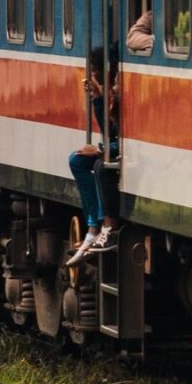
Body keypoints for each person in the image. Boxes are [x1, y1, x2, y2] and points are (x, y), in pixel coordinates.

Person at [70, 48, 120, 253]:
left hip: (125, 151)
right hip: (115, 147)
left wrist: (100, 151)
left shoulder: (120, 92)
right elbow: (109, 130)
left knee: (101, 166)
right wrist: (98, 98)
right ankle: (93, 224)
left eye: (95, 71)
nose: (93, 76)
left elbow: (125, 140)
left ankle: (108, 225)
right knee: (77, 160)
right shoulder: (110, 92)